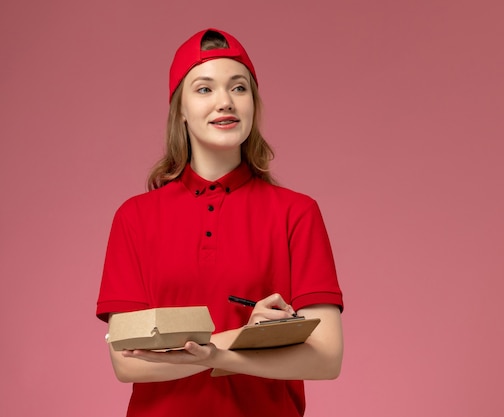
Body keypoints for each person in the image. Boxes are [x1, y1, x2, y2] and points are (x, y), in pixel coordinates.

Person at [96, 28, 344, 417]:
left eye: (239, 88)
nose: (225, 102)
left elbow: (326, 358)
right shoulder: (135, 218)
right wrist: (246, 341)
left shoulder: (297, 213)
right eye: (204, 89)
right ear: (180, 108)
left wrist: (207, 353)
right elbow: (127, 362)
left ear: (254, 104)